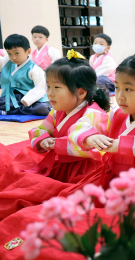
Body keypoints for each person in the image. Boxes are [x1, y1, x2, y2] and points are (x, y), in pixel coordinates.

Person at [0, 54, 135, 260]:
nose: (120, 96)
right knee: (55, 212)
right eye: (118, 87)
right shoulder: (117, 116)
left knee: (102, 230)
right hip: (109, 183)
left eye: (129, 89)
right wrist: (89, 137)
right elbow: (81, 127)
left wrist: (120, 144)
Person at [0, 51, 110, 221]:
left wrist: (55, 144)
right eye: (48, 87)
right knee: (24, 171)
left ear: (81, 92)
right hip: (63, 164)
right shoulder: (58, 111)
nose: (50, 93)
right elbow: (40, 129)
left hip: (85, 170)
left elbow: (80, 138)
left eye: (57, 88)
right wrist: (43, 139)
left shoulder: (94, 113)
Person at [0, 34, 51, 116]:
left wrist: (27, 99)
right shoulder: (9, 63)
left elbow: (41, 87)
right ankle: (10, 110)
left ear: (28, 51)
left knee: (41, 107)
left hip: (30, 97)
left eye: (17, 53)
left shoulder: (34, 69)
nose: (13, 57)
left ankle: (8, 111)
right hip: (15, 96)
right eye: (9, 54)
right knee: (3, 101)